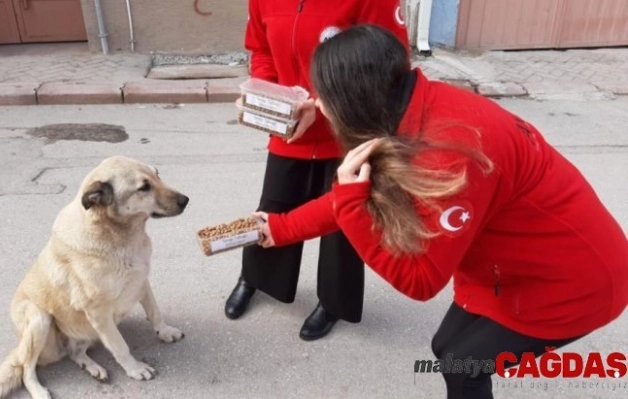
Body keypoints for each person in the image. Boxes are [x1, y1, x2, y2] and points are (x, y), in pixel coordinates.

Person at [253, 24, 628, 398]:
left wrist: (354, 207)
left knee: (462, 368)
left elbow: (421, 281)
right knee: (446, 351)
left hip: (575, 282)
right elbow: (355, 191)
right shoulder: (409, 105)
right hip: (517, 264)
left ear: (355, 101)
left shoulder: (447, 157)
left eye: (323, 96)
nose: (318, 105)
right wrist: (281, 228)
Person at [225, 0, 410, 341]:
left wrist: (319, 103)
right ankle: (255, 278)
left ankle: (334, 303)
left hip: (349, 131)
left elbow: (389, 63)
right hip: (290, 129)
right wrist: (266, 95)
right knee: (275, 205)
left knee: (343, 221)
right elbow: (261, 49)